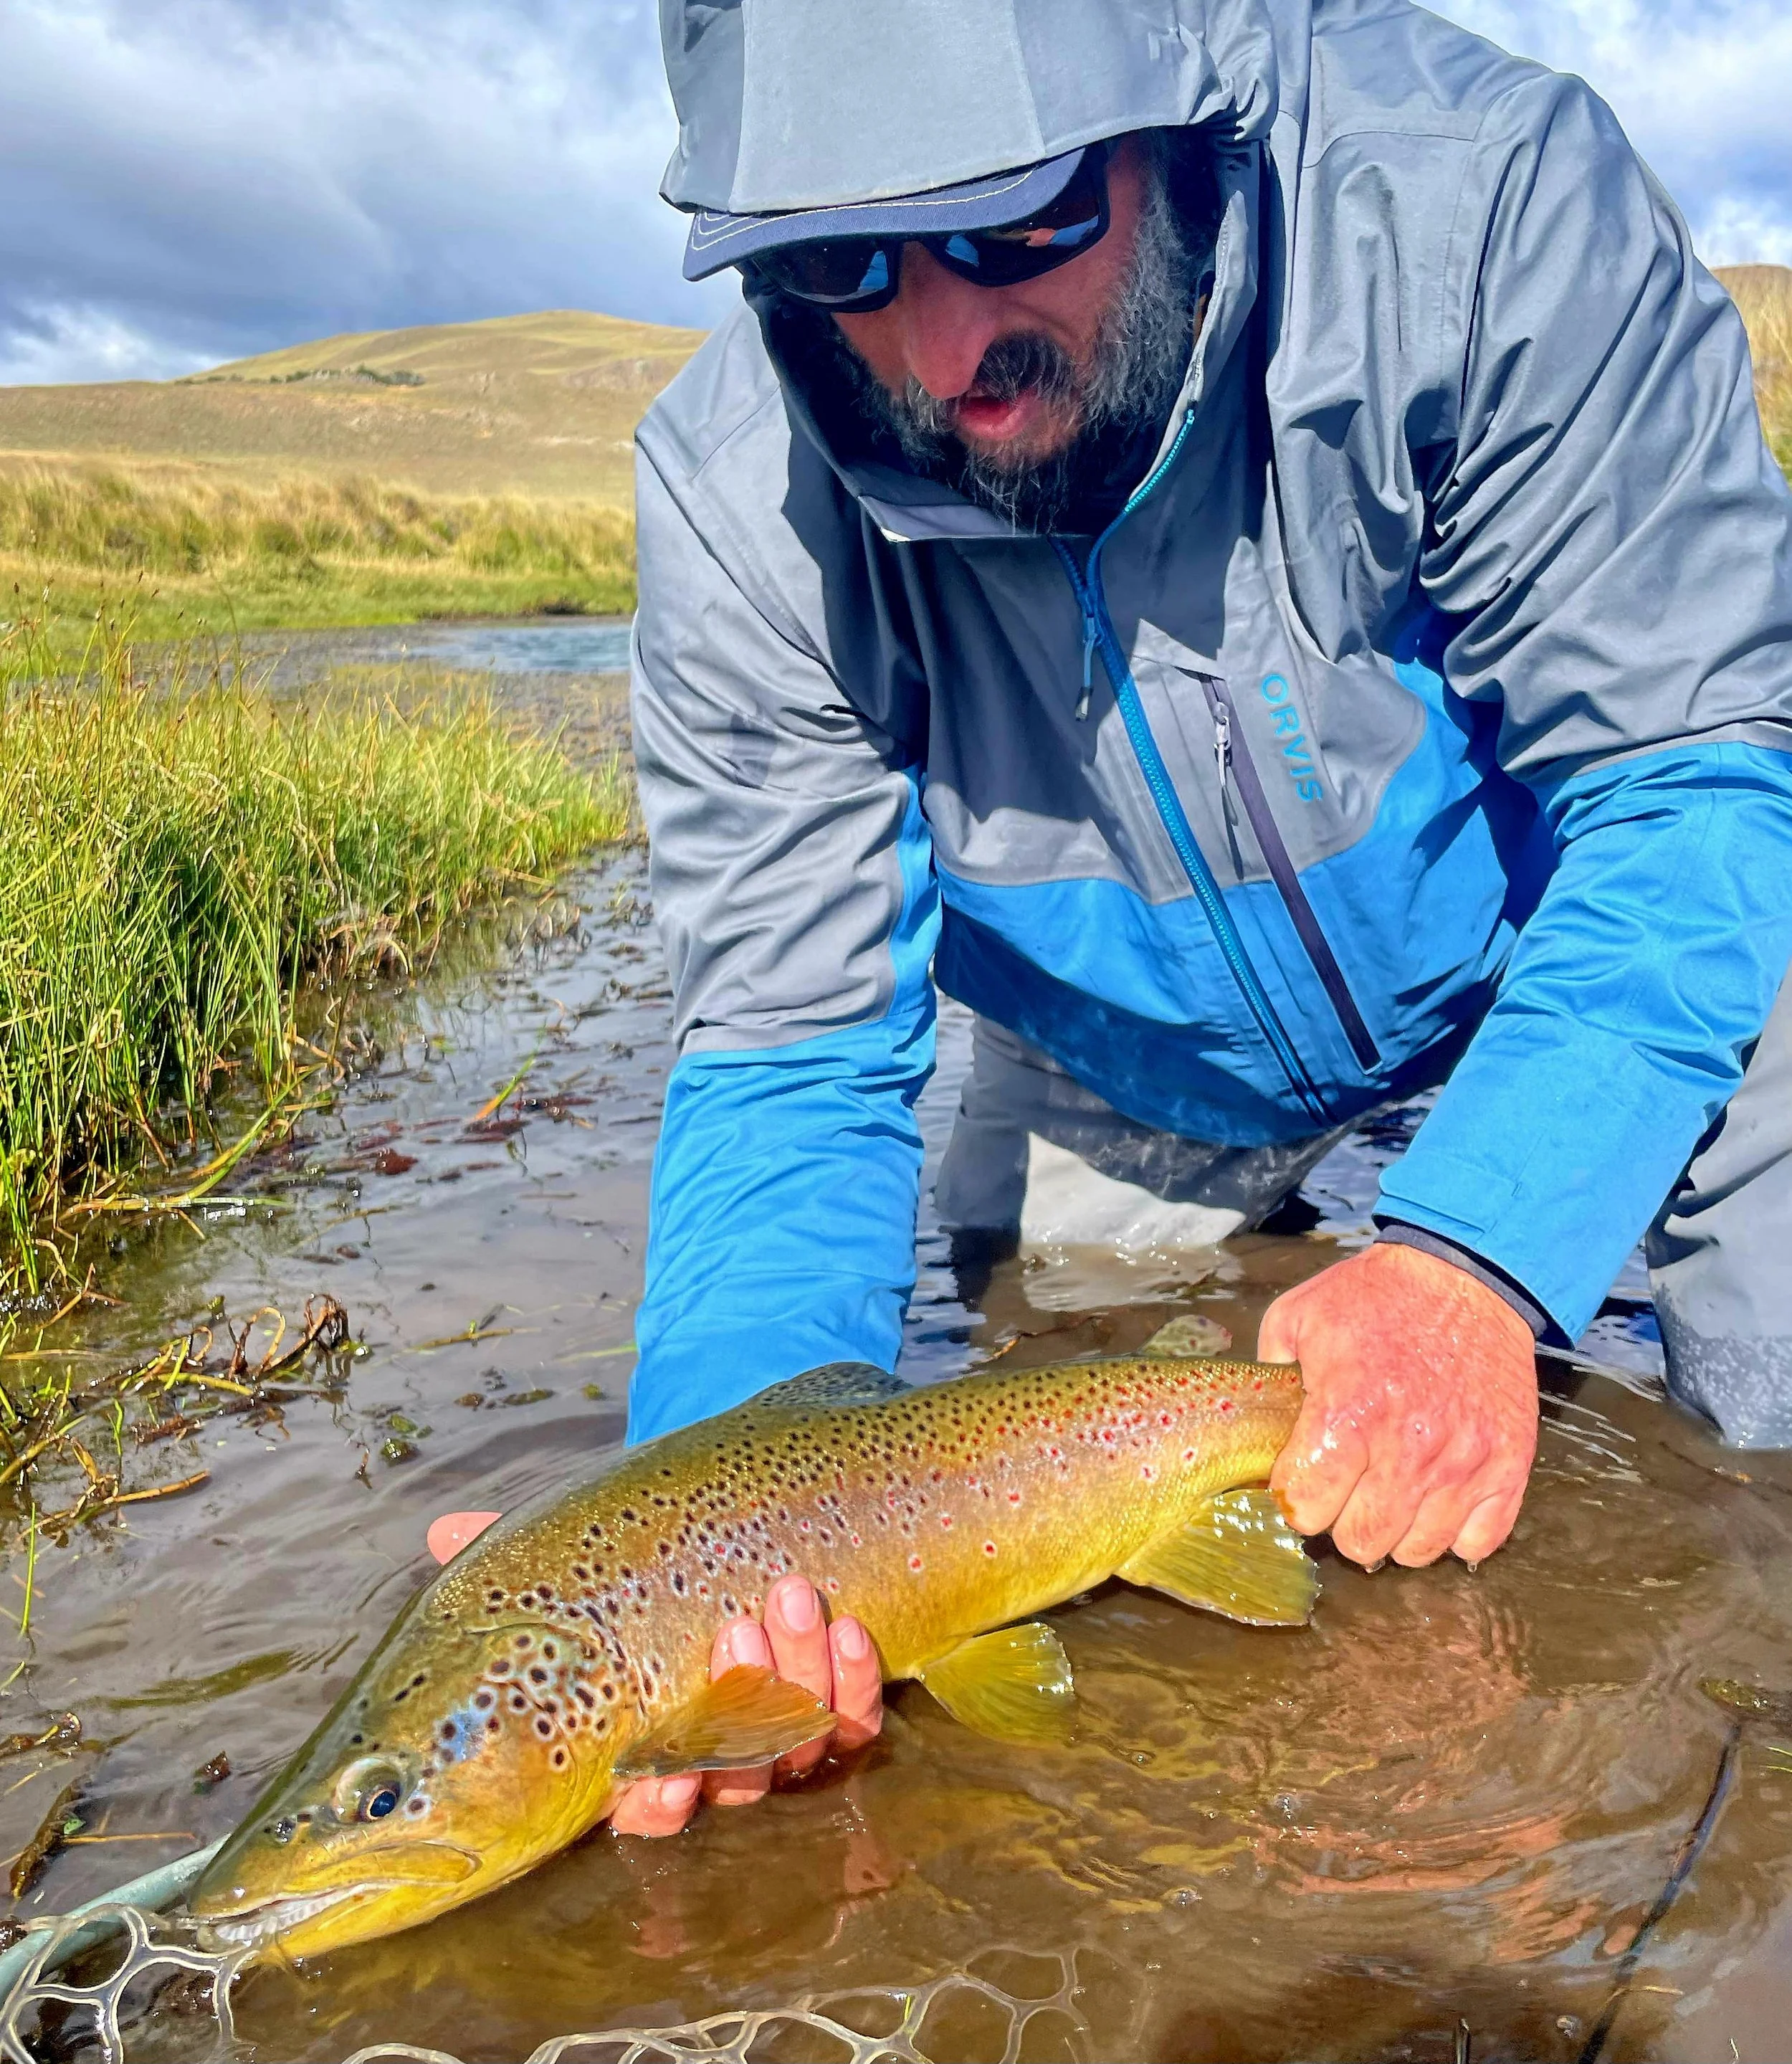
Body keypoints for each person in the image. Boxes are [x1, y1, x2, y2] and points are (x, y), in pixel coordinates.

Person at [605, 0, 1792, 1833]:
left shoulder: (1480, 210)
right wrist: (698, 1543)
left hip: (1547, 964)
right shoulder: (730, 502)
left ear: (1180, 133)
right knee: (961, 1437)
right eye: (837, 263)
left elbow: (1688, 774)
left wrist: (1476, 1247)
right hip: (1116, 1070)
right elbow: (790, 1051)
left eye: (1019, 231)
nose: (945, 349)